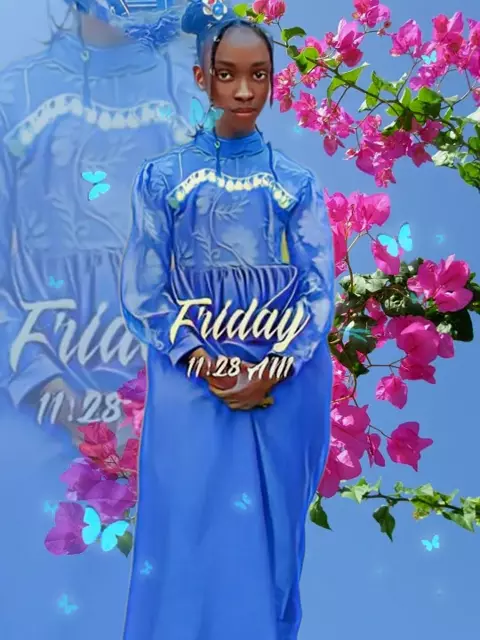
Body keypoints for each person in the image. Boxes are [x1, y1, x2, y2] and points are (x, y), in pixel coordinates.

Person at [120, 1, 334, 637]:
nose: (244, 90)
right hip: (190, 379)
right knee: (187, 529)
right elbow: (144, 287)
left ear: (273, 79)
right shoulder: (162, 179)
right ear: (202, 78)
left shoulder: (296, 183)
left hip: (282, 382)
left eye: (258, 75)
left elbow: (319, 290)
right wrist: (201, 358)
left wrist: (275, 367)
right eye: (228, 74)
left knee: (269, 550)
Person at [0, 1, 197, 637]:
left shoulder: (192, 99)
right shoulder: (16, 95)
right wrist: (52, 392)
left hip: (172, 417)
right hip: (27, 410)